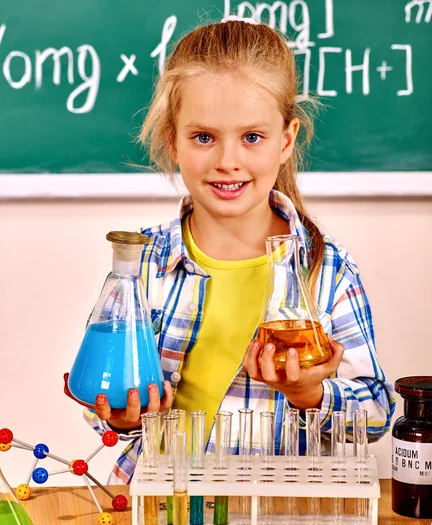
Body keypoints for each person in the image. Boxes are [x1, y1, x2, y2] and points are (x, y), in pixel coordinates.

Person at [65, 16, 395, 484]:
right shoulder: (142, 263)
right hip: (163, 510)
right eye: (203, 137)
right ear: (171, 141)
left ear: (285, 140)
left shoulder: (327, 270)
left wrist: (309, 393)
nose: (227, 161)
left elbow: (377, 414)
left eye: (252, 137)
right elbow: (106, 395)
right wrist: (121, 415)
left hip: (280, 520)